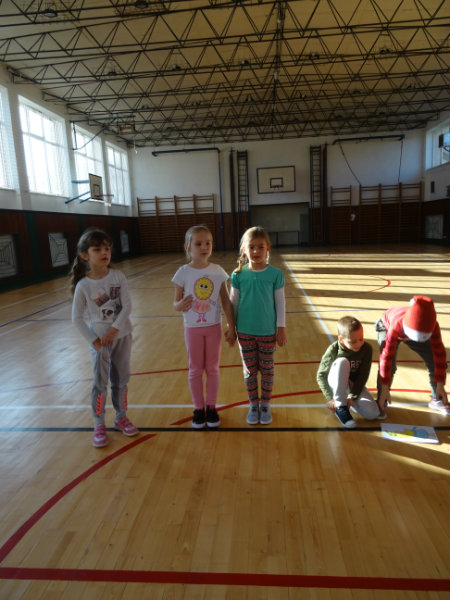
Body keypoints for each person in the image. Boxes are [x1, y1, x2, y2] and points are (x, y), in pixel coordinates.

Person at [71, 228, 138, 448]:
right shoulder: (84, 285)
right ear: (85, 255)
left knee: (121, 381)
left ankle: (121, 417)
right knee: (100, 384)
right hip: (100, 344)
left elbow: (127, 307)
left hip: (122, 337)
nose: (104, 252)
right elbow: (76, 319)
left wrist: (114, 330)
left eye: (107, 248)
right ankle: (99, 423)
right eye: (97, 249)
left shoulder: (118, 276)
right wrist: (95, 341)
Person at [172, 224, 236, 429]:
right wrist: (179, 305)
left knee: (213, 368)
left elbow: (226, 301)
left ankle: (211, 407)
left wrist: (231, 326)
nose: (204, 247)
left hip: (214, 327)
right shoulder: (182, 273)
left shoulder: (217, 272)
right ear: (187, 247)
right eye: (198, 244)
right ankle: (198, 408)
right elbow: (175, 303)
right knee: (195, 369)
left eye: (208, 243)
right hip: (192, 328)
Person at [230, 226, 287, 425]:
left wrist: (281, 328)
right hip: (244, 332)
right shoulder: (238, 274)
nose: (256, 251)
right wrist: (231, 328)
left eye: (260, 247)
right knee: (250, 371)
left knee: (267, 370)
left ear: (267, 248)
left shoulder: (275, 274)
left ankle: (265, 405)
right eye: (251, 247)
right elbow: (233, 303)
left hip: (267, 332)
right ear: (244, 249)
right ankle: (254, 404)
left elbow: (280, 303)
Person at [376, 295, 449, 416]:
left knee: (433, 360)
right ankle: (381, 400)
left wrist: (440, 384)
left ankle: (437, 399)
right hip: (386, 326)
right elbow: (385, 359)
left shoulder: (433, 326)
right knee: (390, 366)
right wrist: (384, 389)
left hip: (412, 329)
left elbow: (439, 356)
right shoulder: (396, 325)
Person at [317, 316, 382, 428]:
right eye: (353, 342)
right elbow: (321, 375)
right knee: (342, 362)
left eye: (361, 339)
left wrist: (352, 396)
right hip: (335, 383)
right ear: (341, 339)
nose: (358, 344)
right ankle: (340, 407)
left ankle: (349, 402)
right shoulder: (333, 350)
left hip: (352, 385)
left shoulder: (367, 349)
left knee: (373, 414)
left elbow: (363, 375)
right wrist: (329, 398)